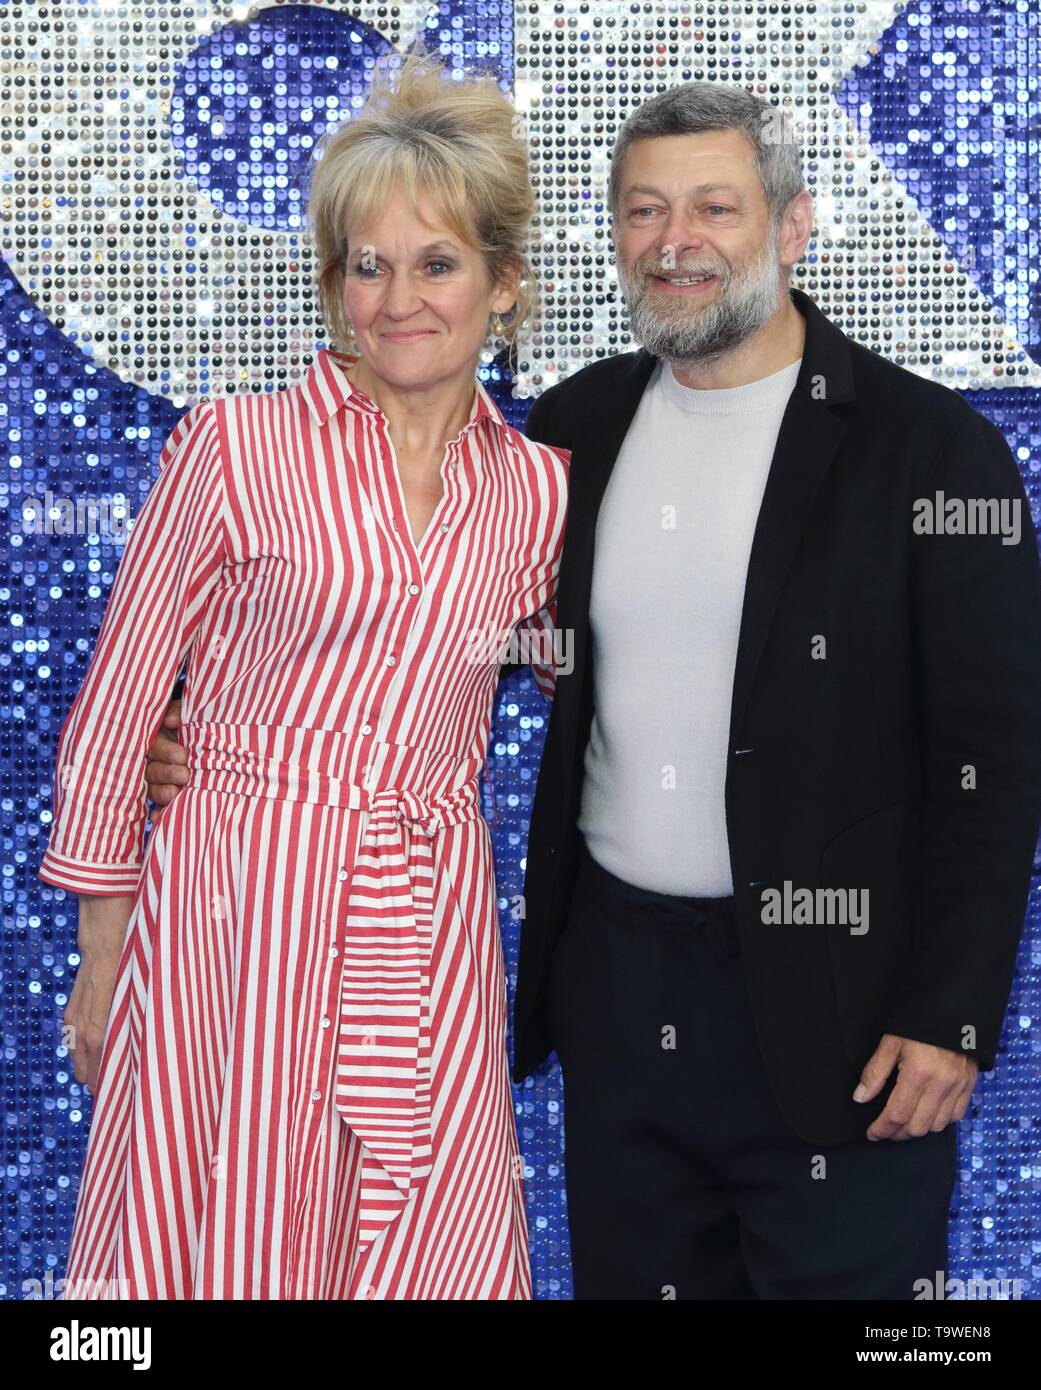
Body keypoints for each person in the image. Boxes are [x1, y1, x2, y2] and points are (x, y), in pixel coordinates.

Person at [38, 48, 568, 1300]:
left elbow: (573, 666)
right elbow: (117, 712)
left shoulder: (537, 491)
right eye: (365, 266)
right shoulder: (233, 447)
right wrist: (102, 960)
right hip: (236, 907)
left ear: (502, 285)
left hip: (426, 924)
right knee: (206, 1241)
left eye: (436, 264)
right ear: (332, 284)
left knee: (423, 1245)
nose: (398, 301)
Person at [507, 82, 1039, 1298]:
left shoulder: (932, 449)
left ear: (792, 227)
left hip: (848, 1012)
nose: (674, 240)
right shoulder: (568, 429)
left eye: (713, 206)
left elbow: (997, 756)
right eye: (643, 210)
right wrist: (202, 735)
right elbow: (437, 626)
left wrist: (951, 1011)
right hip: (622, 992)